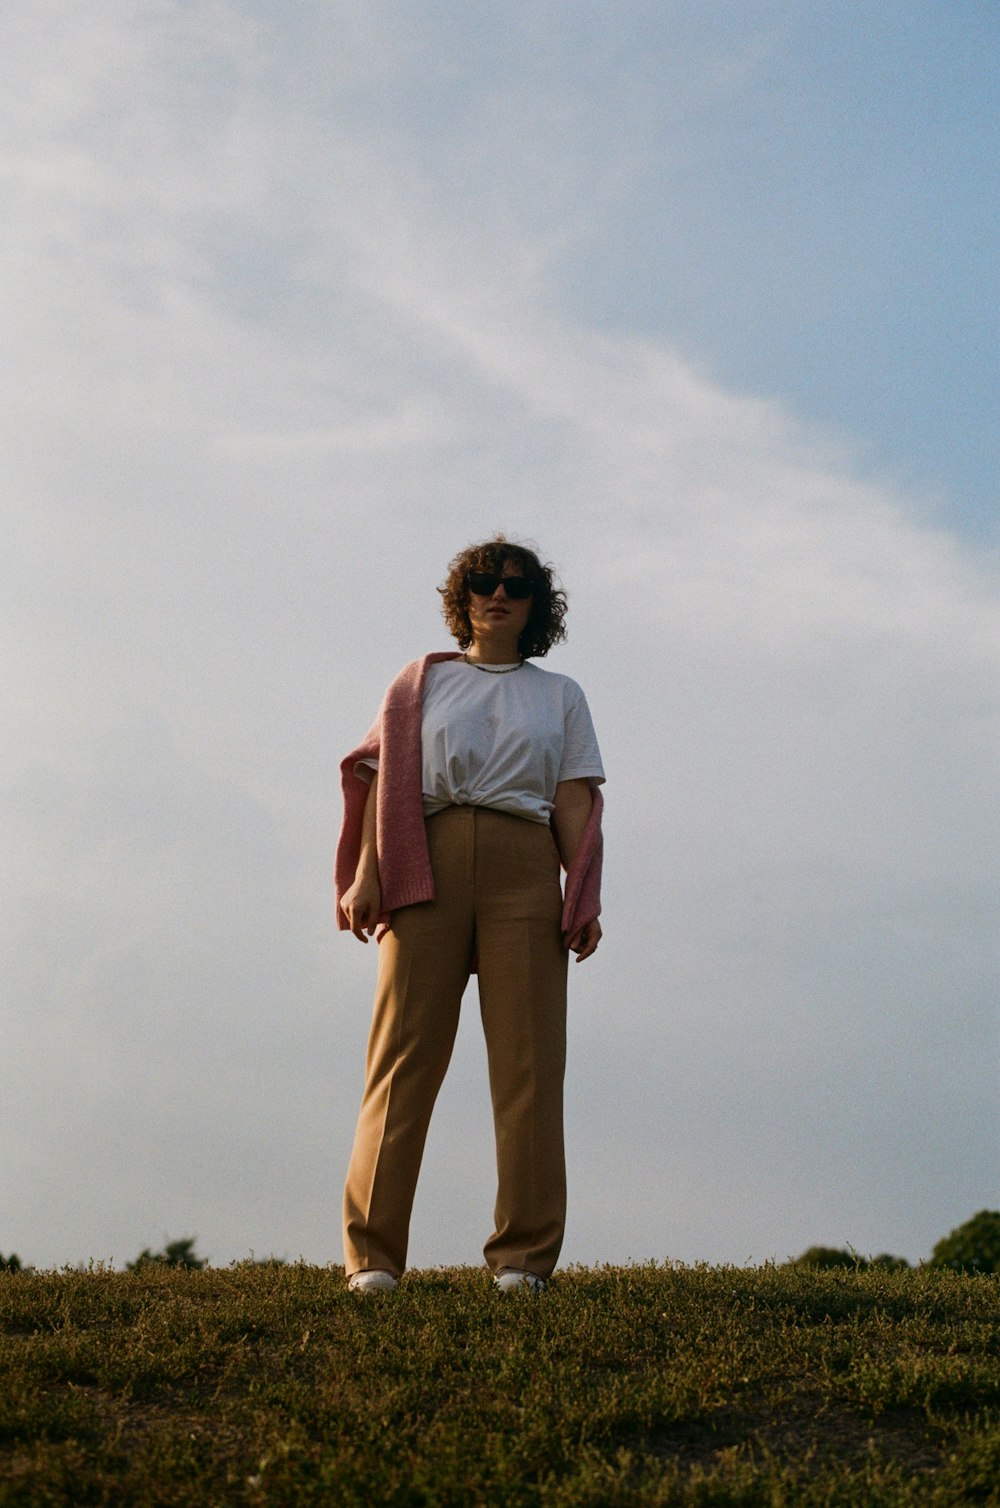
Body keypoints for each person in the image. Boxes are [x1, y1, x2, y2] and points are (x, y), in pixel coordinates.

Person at [335, 537, 605, 1294]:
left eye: (515, 588)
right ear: (464, 599)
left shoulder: (560, 696)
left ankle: (522, 1259)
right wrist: (366, 876)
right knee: (401, 1058)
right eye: (483, 584)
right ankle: (373, 1259)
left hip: (525, 866)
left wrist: (583, 894)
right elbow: (385, 785)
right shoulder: (420, 683)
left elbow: (577, 797)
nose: (498, 596)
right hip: (427, 858)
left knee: (528, 1064)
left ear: (534, 608)